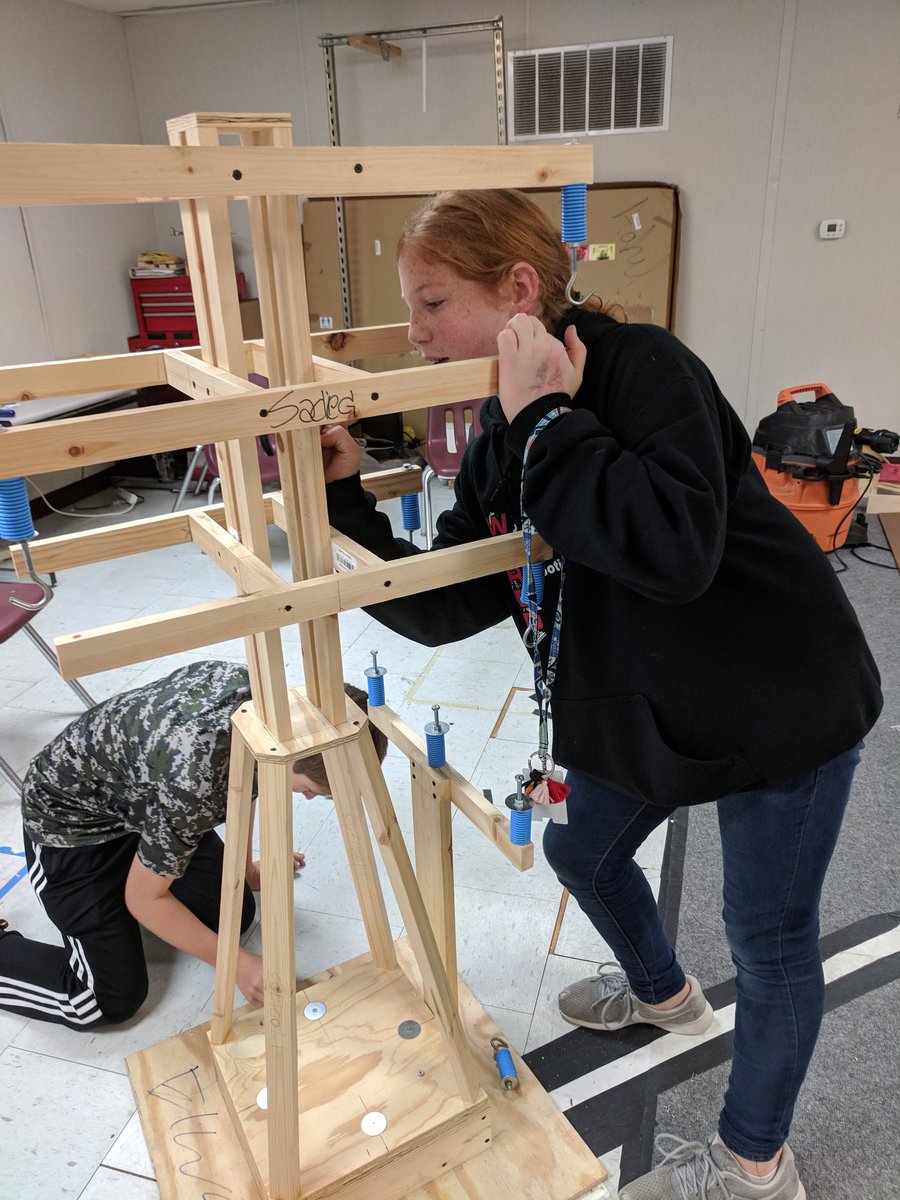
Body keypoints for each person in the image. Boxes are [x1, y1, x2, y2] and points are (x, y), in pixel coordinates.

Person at [319, 189, 882, 1200]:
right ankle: (666, 995)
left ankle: (758, 1165)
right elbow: (448, 604)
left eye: (433, 301)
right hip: (657, 702)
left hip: (781, 698)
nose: (415, 332)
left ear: (520, 291)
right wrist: (341, 499)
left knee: (767, 937)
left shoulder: (647, 369)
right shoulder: (502, 428)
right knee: (582, 846)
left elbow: (673, 550)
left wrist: (547, 415)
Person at [0, 660, 387, 1029]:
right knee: (108, 998)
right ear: (293, 761)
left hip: (143, 801)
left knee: (233, 915)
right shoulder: (195, 784)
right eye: (310, 790)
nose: (305, 799)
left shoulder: (272, 714)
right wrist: (235, 965)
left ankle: (143, 870)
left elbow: (247, 786)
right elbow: (144, 900)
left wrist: (248, 868)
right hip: (72, 827)